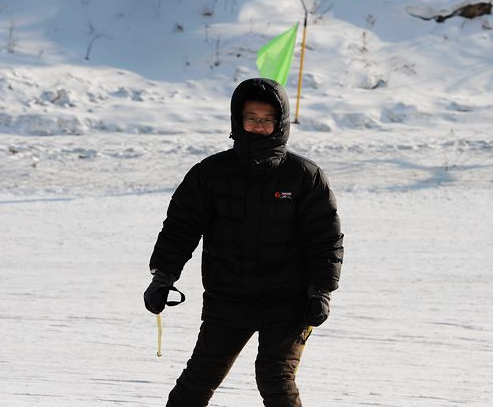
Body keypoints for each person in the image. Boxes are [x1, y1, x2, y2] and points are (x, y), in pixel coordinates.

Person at [144, 77, 344, 407]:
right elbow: (180, 228)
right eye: (251, 118)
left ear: (280, 123)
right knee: (198, 379)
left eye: (267, 120)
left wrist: (321, 291)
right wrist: (163, 277)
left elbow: (325, 239)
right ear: (238, 120)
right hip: (229, 297)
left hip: (288, 300)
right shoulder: (210, 174)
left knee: (275, 377)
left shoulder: (304, 176)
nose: (258, 127)